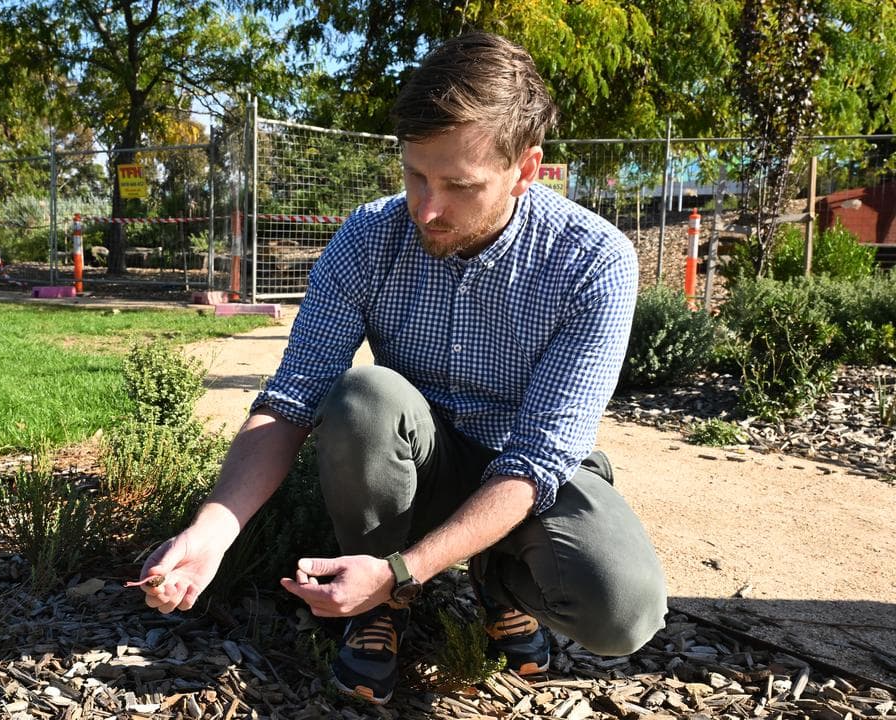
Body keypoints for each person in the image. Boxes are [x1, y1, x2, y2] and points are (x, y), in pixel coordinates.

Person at [134, 31, 668, 706]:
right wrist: (213, 528)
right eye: (415, 174)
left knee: (622, 609)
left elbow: (538, 459)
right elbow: (294, 396)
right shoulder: (370, 235)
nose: (427, 208)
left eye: (458, 185)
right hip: (415, 458)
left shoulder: (593, 263)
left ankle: (491, 578)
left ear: (525, 170)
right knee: (362, 397)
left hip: (526, 471)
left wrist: (403, 568)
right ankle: (377, 607)